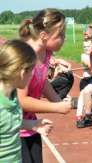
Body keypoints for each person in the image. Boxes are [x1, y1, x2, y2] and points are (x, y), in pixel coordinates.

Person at [18, 9, 73, 163]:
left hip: (31, 126)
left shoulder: (46, 53)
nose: (64, 38)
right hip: (12, 130)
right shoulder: (25, 58)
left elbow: (42, 81)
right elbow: (22, 100)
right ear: (44, 35)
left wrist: (57, 100)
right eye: (60, 35)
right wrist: (57, 108)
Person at [0, 40, 53, 163]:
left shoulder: (12, 96)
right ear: (23, 73)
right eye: (32, 72)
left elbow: (11, 121)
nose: (32, 76)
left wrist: (34, 125)